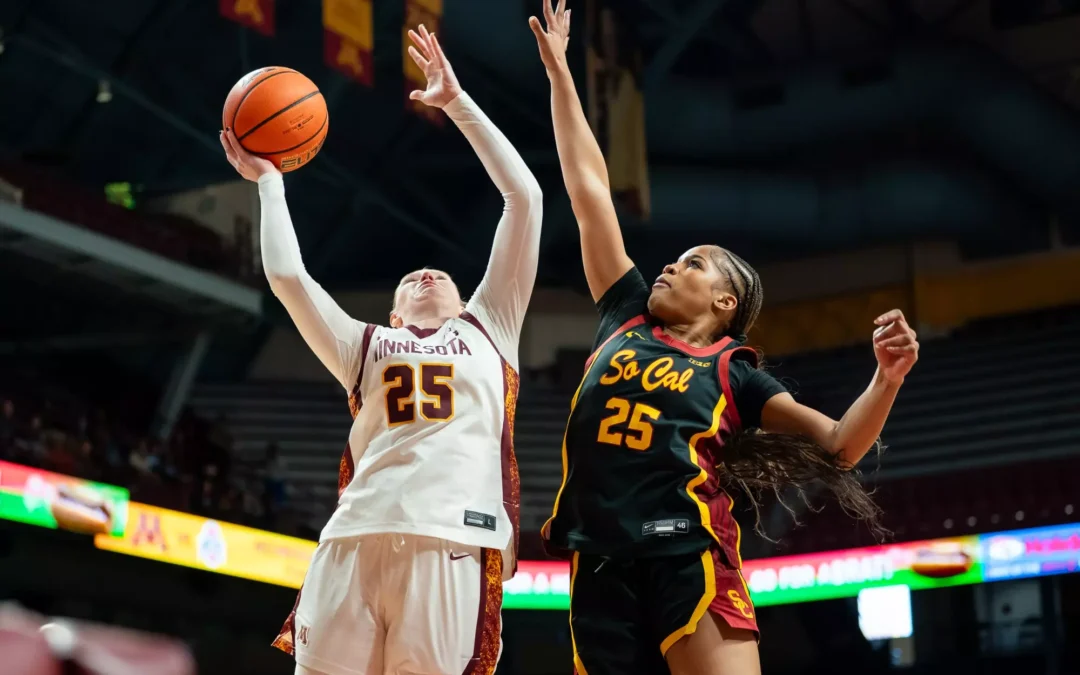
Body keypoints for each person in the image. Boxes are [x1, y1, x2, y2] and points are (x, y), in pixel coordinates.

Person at [529, 2, 919, 674]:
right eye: (675, 258)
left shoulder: (733, 370)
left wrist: (885, 378)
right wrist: (561, 73)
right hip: (598, 558)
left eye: (694, 262)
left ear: (724, 300)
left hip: (689, 552)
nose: (671, 264)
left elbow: (839, 445)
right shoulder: (624, 313)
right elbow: (588, 188)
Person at [220, 25, 542, 675]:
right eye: (411, 279)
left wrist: (456, 103)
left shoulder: (491, 328)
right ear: (394, 311)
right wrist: (269, 182)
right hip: (351, 539)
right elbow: (287, 278)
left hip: (454, 541)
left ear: (466, 298)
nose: (428, 274)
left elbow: (525, 199)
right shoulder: (367, 343)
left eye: (441, 276)